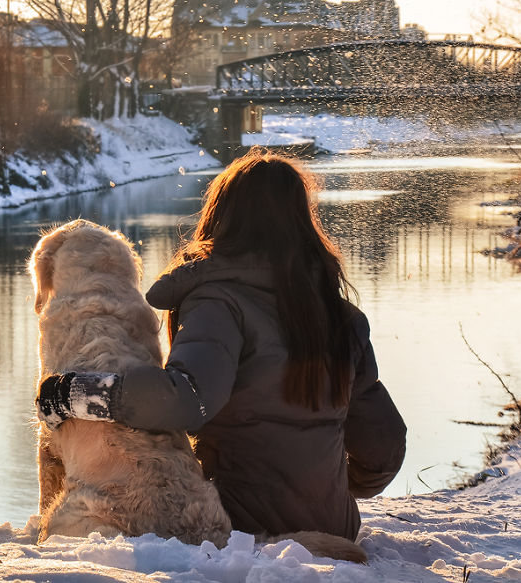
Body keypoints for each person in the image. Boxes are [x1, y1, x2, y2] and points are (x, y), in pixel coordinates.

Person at [35, 148, 406, 541]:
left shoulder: (220, 304)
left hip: (238, 522)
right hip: (335, 526)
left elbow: (186, 399)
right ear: (303, 222)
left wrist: (75, 394)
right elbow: (384, 450)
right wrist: (323, 487)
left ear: (221, 217)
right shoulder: (342, 317)